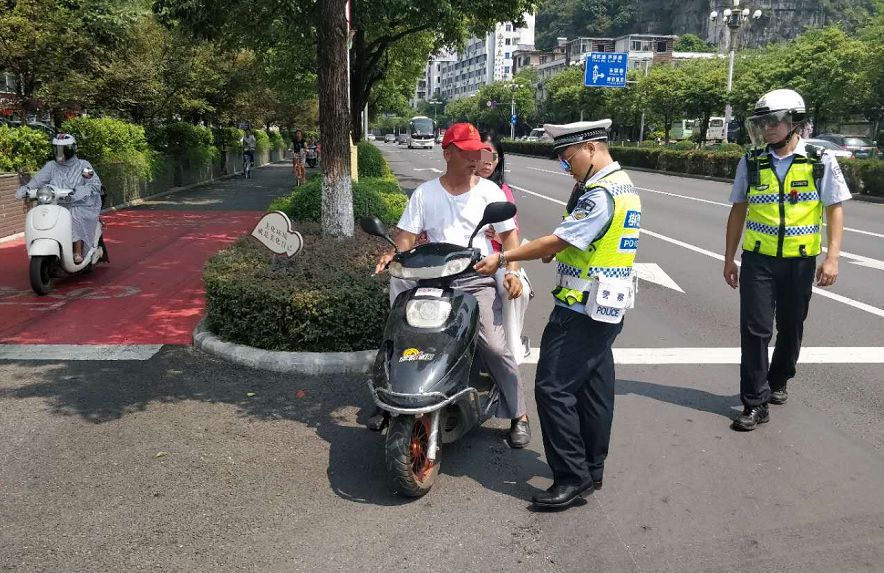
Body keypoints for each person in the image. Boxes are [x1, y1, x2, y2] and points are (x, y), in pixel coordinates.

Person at [475, 119, 641, 509]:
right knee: (594, 388)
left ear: (592, 148)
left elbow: (566, 237)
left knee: (553, 388)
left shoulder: (601, 193)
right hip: (606, 305)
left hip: (582, 308)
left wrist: (505, 256)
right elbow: (586, 241)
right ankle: (592, 467)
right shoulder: (621, 185)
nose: (567, 168)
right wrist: (558, 249)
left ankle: (571, 477)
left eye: (569, 159)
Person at [372, 122, 531, 448]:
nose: (475, 158)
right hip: (429, 279)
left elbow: (509, 237)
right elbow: (406, 236)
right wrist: (393, 253)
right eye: (467, 152)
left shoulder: (489, 192)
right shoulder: (425, 193)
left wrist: (511, 270)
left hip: (475, 280)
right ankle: (389, 403)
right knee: (401, 335)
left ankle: (519, 413)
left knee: (493, 346)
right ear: (448, 152)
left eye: (478, 152)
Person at [724, 89, 849, 431]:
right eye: (762, 122)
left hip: (800, 261)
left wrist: (832, 257)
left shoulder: (820, 159)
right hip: (758, 260)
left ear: (795, 123)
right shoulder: (751, 161)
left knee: (791, 327)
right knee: (755, 330)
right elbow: (738, 211)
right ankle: (754, 402)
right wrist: (729, 259)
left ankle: (779, 379)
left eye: (774, 121)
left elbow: (834, 209)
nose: (767, 129)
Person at [478, 132, 533, 364]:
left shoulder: (501, 191)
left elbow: (513, 236)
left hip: (497, 257)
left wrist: (500, 244)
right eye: (483, 155)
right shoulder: (457, 186)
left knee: (513, 291)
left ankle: (512, 349)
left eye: (494, 156)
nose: (488, 161)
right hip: (462, 258)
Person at [16, 133, 102, 264]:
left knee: (73, 214)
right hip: (55, 202)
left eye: (63, 149)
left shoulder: (83, 165)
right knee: (42, 212)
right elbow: (37, 180)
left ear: (72, 149)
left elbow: (95, 184)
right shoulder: (51, 166)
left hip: (79, 203)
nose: (59, 153)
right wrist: (27, 189)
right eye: (57, 149)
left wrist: (80, 191)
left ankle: (77, 250)